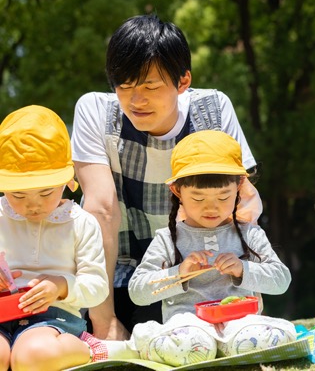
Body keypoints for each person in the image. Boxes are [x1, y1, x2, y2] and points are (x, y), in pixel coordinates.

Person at [71, 14, 257, 340]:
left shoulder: (213, 109)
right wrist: (105, 321)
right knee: (146, 320)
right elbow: (101, 209)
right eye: (124, 86)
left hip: (199, 268)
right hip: (124, 273)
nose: (135, 99)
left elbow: (243, 199)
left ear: (183, 81)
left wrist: (250, 288)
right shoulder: (96, 111)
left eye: (150, 86)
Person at [88, 130, 293, 366]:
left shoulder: (250, 233)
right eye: (198, 198)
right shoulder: (167, 239)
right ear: (177, 191)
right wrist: (179, 274)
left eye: (223, 196)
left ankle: (226, 346)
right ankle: (185, 344)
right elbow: (138, 292)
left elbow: (281, 281)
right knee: (187, 344)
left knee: (265, 336)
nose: (211, 208)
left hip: (240, 321)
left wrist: (242, 269)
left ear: (238, 187)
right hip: (188, 325)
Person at [0, 105, 109, 370]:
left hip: (54, 318)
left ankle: (86, 346)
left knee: (32, 356)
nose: (32, 205)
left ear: (67, 182)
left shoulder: (80, 222)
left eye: (46, 193)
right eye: (18, 195)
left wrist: (61, 286)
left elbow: (97, 287)